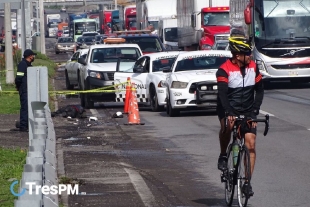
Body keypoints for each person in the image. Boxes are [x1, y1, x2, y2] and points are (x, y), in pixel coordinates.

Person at [216, 36, 264, 196]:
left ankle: (246, 183)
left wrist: (254, 111)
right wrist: (228, 112)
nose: (250, 56)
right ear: (237, 55)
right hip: (228, 107)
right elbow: (222, 95)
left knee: (251, 144)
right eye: (247, 53)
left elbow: (260, 90)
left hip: (248, 109)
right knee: (228, 127)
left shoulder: (253, 67)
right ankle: (223, 155)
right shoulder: (224, 69)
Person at [14, 49, 36, 132]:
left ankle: (27, 124)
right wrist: (18, 86)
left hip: (29, 89)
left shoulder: (28, 65)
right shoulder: (23, 64)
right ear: (30, 56)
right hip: (24, 90)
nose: (33, 57)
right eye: (33, 55)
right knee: (25, 108)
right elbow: (18, 77)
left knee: (29, 107)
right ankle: (23, 126)